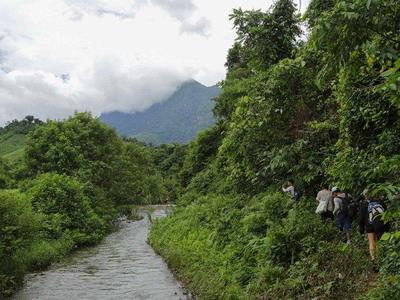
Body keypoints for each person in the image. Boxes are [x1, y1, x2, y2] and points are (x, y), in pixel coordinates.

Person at [359, 189, 387, 261]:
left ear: (365, 195)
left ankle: (373, 259)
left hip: (369, 225)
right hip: (379, 224)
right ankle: (381, 258)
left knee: (371, 241)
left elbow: (361, 218)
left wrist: (361, 229)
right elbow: (386, 214)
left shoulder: (363, 204)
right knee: (379, 241)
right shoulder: (380, 202)